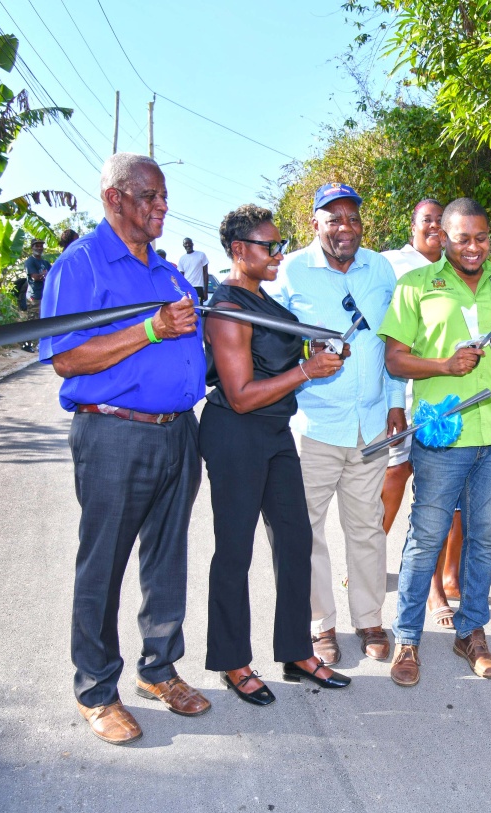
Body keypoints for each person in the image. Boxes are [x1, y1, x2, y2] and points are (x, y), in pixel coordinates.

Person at [39, 152, 210, 745]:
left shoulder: (167, 272)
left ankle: (159, 670)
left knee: (166, 561)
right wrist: (150, 330)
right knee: (103, 564)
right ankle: (95, 690)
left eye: (163, 197)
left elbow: (196, 344)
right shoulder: (81, 264)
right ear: (114, 197)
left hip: (176, 432)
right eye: (149, 196)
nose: (162, 206)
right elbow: (65, 358)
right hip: (114, 432)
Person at [379, 197, 491, 687]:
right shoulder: (416, 286)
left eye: (482, 237)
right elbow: (395, 359)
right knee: (426, 538)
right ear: (442, 238)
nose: (473, 247)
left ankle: (471, 633)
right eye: (462, 238)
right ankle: (407, 639)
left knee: (482, 539)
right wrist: (444, 365)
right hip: (443, 435)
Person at [201, 203, 351, 704]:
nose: (280, 254)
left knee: (296, 540)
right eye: (271, 246)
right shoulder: (227, 307)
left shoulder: (262, 299)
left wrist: (313, 356)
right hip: (235, 432)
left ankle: (295, 651)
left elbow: (275, 361)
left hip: (274, 431)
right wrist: (307, 373)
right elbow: (241, 392)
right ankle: (232, 661)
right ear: (239, 251)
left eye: (281, 244)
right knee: (234, 551)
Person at [264, 183, 405, 666]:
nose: (345, 228)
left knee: (367, 527)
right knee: (307, 529)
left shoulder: (380, 268)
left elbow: (392, 341)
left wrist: (395, 400)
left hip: (370, 424)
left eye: (353, 219)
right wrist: (305, 355)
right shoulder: (290, 273)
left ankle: (369, 618)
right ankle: (319, 624)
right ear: (315, 223)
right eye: (334, 219)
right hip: (315, 425)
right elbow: (269, 341)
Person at [381, 199, 463, 628]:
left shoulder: (461, 271)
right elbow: (391, 341)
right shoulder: (389, 265)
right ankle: (371, 563)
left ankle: (438, 584)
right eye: (426, 220)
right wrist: (395, 398)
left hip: (446, 401)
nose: (434, 227)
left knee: (439, 496)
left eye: (440, 221)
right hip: (401, 393)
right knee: (394, 478)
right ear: (412, 225)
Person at [179, 237, 210, 302]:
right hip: (187, 288)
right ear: (183, 245)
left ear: (192, 244)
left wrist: (205, 291)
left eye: (189, 243)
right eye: (186, 243)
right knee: (187, 310)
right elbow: (181, 277)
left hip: (198, 288)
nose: (187, 245)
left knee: (198, 310)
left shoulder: (201, 255)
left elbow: (205, 274)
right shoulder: (182, 259)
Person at [24, 239, 51, 312]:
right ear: (32, 247)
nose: (39, 248)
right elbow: (35, 277)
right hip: (34, 298)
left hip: (45, 297)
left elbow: (53, 276)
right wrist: (45, 275)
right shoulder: (30, 261)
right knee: (34, 320)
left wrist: (45, 275)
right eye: (37, 246)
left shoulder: (45, 262)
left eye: (41, 246)